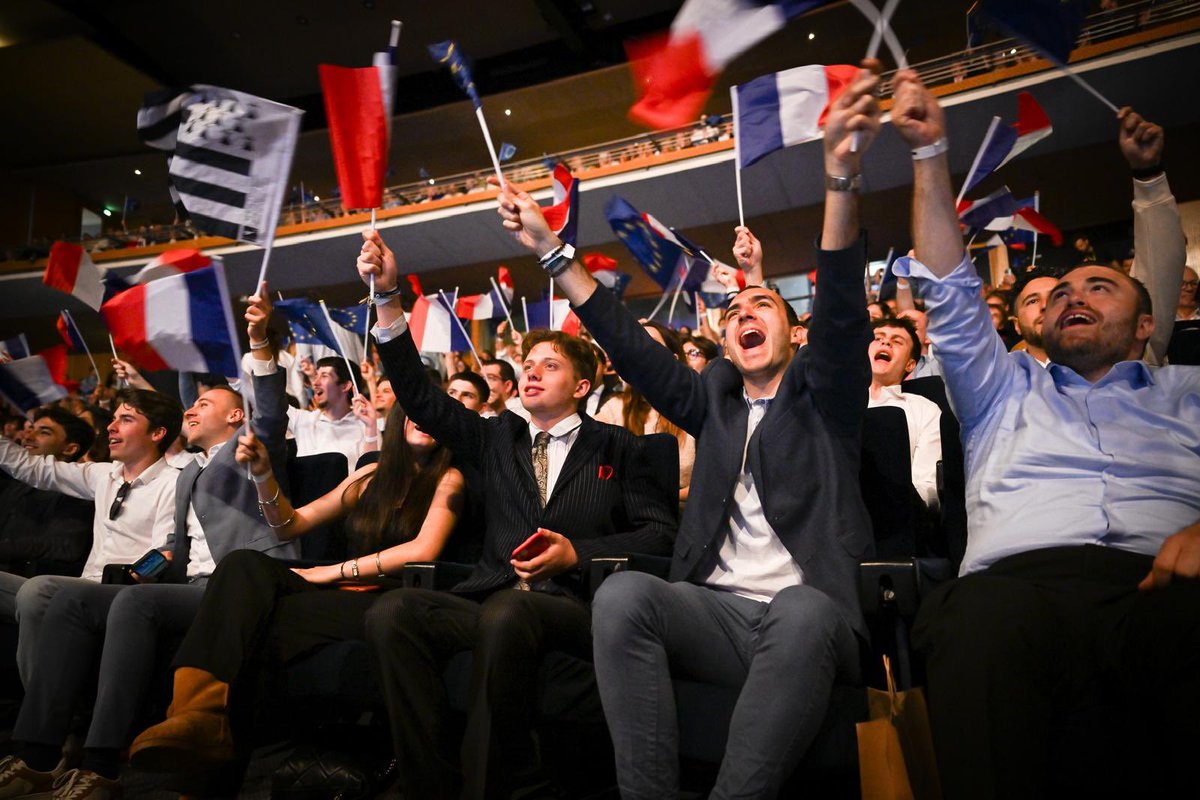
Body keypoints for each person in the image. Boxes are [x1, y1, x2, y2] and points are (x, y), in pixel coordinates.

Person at [496, 61, 881, 798]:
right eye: (735, 312)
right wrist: (552, 251)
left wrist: (840, 176)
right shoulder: (714, 403)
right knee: (624, 598)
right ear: (725, 343)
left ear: (794, 335)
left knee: (802, 607)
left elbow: (840, 307)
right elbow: (632, 348)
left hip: (809, 619)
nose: (745, 314)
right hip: (716, 615)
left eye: (763, 306)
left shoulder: (826, 397)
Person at [890, 69, 1200, 798]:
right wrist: (929, 154)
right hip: (1017, 591)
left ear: (1146, 327)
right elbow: (947, 286)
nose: (1072, 296)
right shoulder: (1000, 389)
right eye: (1059, 293)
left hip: (1161, 587)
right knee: (974, 620)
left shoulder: (1187, 391)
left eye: (1099, 286)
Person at [352, 234, 677, 798]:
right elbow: (420, 398)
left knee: (509, 612)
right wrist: (386, 297)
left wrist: (577, 554)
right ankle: (429, 785)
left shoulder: (621, 447)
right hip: (491, 597)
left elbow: (661, 535)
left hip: (575, 607)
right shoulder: (495, 436)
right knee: (394, 611)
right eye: (527, 365)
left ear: (582, 385)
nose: (531, 372)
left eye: (549, 365)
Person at [1, 288, 298, 798]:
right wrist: (155, 562)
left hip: (236, 589)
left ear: (235, 418)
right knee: (67, 597)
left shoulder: (247, 450)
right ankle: (40, 755)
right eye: (192, 404)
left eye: (204, 404)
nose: (191, 409)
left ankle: (103, 765)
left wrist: (257, 340)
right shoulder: (188, 472)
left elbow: (268, 412)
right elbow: (175, 544)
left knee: (132, 604)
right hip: (188, 585)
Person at [128, 402, 467, 771]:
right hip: (340, 596)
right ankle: (195, 715)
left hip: (390, 603)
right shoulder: (371, 475)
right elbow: (290, 525)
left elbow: (423, 550)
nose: (424, 419)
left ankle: (204, 754)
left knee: (254, 627)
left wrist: (333, 572)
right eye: (416, 410)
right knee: (242, 564)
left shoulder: (448, 478)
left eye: (434, 413)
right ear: (400, 419)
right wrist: (262, 475)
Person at [0, 389, 181, 687]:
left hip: (123, 594)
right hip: (84, 587)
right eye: (113, 418)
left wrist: (139, 574)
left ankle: (42, 705)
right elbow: (32, 468)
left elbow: (163, 552)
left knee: (38, 590)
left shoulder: (172, 483)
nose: (111, 427)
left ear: (157, 433)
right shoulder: (103, 475)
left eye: (126, 419)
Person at [596, 320, 696, 502]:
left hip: (683, 513)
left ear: (674, 358)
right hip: (627, 514)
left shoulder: (694, 407)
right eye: (636, 345)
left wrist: (666, 497)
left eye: (651, 344)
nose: (642, 351)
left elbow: (712, 480)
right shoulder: (616, 407)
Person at [0, 407, 95, 577]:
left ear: (70, 449)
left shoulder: (79, 495)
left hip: (26, 583)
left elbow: (65, 546)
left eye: (44, 432)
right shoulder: (12, 484)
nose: (28, 436)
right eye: (31, 429)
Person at [868, 318, 941, 507]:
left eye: (897, 341)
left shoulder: (924, 410)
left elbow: (927, 486)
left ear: (910, 364)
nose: (885, 342)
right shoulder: (837, 400)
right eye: (878, 338)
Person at [287, 357, 374, 471]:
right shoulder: (302, 420)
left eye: (324, 376)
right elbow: (268, 402)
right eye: (316, 375)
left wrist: (371, 427)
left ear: (345, 385)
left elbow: (371, 472)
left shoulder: (365, 426)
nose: (315, 383)